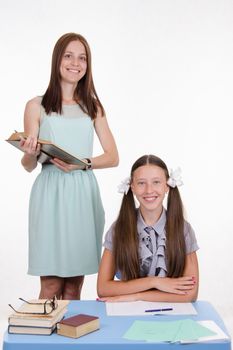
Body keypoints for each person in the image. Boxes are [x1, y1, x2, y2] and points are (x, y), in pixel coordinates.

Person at [20, 32, 119, 300]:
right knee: (50, 285)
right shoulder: (36, 105)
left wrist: (83, 164)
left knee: (74, 287)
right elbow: (28, 165)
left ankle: (69, 341)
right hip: (49, 194)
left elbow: (113, 156)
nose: (75, 63)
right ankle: (43, 341)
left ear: (88, 65)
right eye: (68, 55)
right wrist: (30, 151)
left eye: (82, 58)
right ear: (57, 60)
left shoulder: (93, 107)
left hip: (81, 193)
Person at [97, 154, 199, 302]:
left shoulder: (183, 230)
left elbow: (190, 294)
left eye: (156, 182)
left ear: (167, 186)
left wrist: (137, 296)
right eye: (141, 183)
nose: (149, 190)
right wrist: (154, 281)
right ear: (132, 187)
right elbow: (103, 289)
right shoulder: (118, 229)